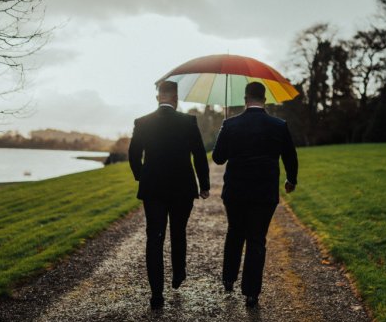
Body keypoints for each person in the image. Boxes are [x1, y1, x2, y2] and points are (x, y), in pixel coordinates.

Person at [212, 81, 298, 308]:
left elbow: (219, 158)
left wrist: (224, 131)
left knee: (235, 232)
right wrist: (291, 180)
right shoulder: (279, 125)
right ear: (265, 99)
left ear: (245, 98)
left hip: (236, 191)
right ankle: (251, 293)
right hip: (264, 192)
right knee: (257, 238)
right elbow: (290, 156)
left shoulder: (230, 124)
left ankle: (229, 278)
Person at [128, 80, 210, 309]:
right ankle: (179, 273)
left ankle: (156, 294)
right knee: (178, 231)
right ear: (175, 98)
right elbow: (199, 155)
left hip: (153, 187)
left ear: (158, 98)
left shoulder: (143, 122)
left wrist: (140, 175)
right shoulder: (188, 121)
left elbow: (133, 154)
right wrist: (204, 184)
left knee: (154, 237)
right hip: (182, 186)